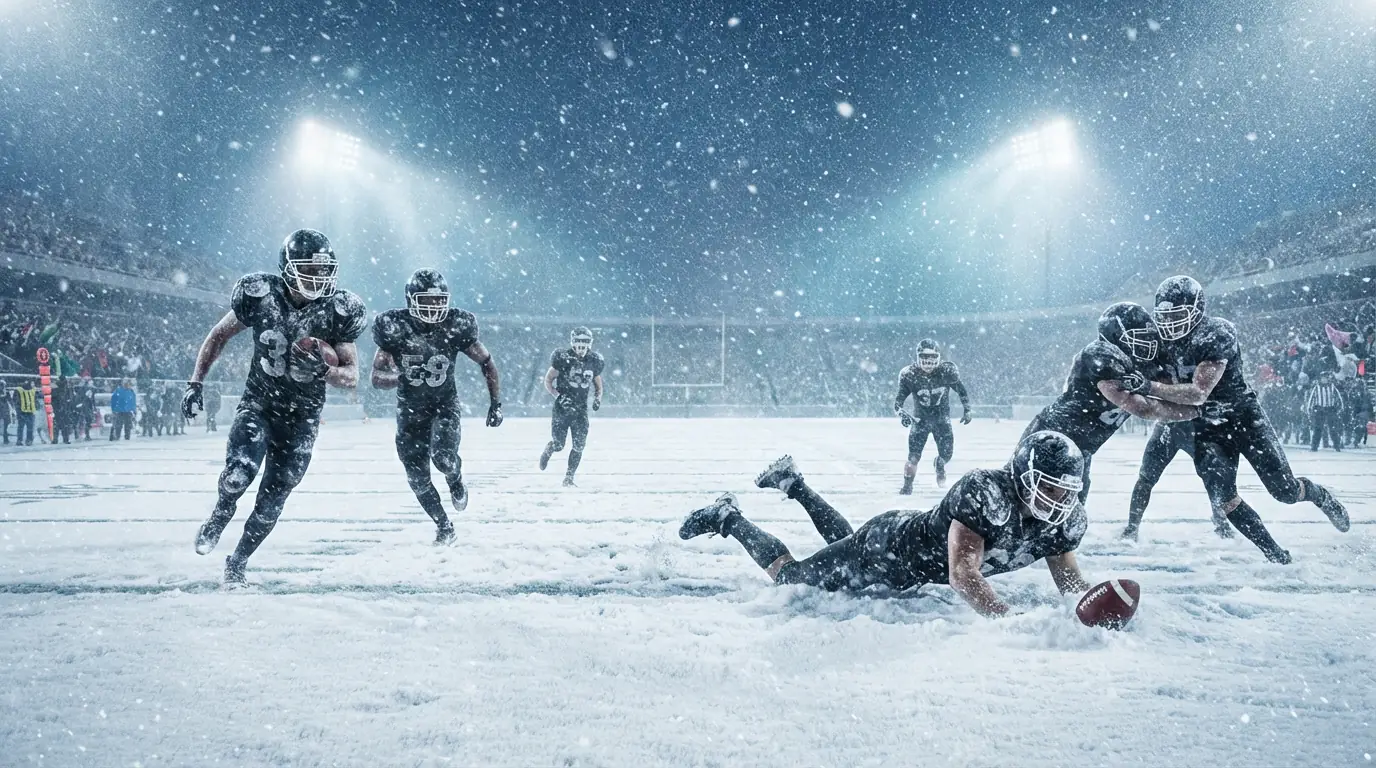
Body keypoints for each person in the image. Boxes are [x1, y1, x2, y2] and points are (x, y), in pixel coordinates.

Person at [679, 431, 1092, 618]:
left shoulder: (1061, 522)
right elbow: (962, 574)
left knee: (844, 543)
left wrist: (1094, 608)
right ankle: (727, 517)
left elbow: (1072, 585)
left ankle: (793, 483)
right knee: (791, 577)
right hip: (887, 549)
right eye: (1049, 488)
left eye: (1067, 492)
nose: (1059, 502)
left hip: (897, 552)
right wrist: (1006, 618)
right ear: (1022, 475)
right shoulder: (986, 493)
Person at [182, 228, 367, 587]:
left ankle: (238, 561)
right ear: (287, 267)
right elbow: (219, 334)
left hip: (303, 416)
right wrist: (195, 381)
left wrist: (325, 370)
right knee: (239, 474)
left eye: (323, 270)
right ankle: (222, 510)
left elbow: (352, 375)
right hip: (260, 404)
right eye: (309, 270)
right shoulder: (261, 295)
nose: (318, 277)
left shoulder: (338, 310)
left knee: (273, 499)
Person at [1120, 275, 1349, 563]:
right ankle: (1275, 554)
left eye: (1177, 316)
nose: (1170, 324)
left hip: (1242, 417)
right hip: (1205, 426)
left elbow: (1199, 392)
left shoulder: (1217, 332)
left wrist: (1147, 387)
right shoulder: (1159, 343)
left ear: (1197, 310)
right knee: (1224, 497)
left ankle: (1320, 496)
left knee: (1284, 491)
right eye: (1164, 317)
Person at [1020, 301, 1219, 506]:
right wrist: (1196, 410)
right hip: (1052, 436)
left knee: (1069, 510)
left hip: (1082, 448)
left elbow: (1172, 387)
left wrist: (1198, 394)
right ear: (1114, 337)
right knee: (1030, 500)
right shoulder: (1100, 355)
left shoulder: (1140, 362)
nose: (1146, 345)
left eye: (1148, 338)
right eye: (1137, 338)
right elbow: (1143, 407)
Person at [371, 268, 504, 544]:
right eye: (427, 300)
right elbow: (376, 377)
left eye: (438, 300)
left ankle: (455, 479)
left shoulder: (456, 325)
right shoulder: (394, 327)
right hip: (409, 412)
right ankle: (444, 526)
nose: (434, 307)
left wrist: (495, 402)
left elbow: (486, 362)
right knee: (417, 477)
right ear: (411, 300)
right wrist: (400, 377)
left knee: (443, 458)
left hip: (444, 405)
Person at [893, 338, 970, 493]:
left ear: (938, 357)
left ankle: (940, 464)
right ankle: (907, 485)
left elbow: (961, 390)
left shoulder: (946, 372)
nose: (928, 361)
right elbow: (898, 402)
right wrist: (903, 414)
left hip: (941, 420)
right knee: (913, 457)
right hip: (920, 420)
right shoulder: (910, 374)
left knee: (946, 454)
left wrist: (967, 409)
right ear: (917, 357)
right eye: (925, 357)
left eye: (932, 357)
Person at [538, 326, 604, 487]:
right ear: (572, 342)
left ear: (590, 343)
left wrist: (598, 399)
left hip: (580, 409)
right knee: (560, 444)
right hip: (563, 408)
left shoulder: (593, 361)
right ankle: (550, 448)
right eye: (579, 341)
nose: (582, 345)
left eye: (585, 341)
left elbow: (598, 384)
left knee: (579, 445)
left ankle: (569, 477)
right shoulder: (563, 357)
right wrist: (558, 396)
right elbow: (548, 380)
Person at [1304, 371, 1344, 452]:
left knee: (1333, 429)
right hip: (1319, 410)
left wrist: (1340, 407)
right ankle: (1314, 447)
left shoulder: (1332, 387)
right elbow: (1311, 399)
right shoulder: (1316, 388)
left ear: (1328, 379)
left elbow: (1339, 398)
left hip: (1330, 409)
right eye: (1323, 378)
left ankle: (1337, 446)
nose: (1324, 380)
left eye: (1325, 378)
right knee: (1318, 429)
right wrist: (1309, 409)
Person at [14, 379, 38, 446]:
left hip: (30, 412)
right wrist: (18, 411)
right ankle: (21, 440)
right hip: (23, 412)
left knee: (28, 427)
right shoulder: (19, 390)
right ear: (29, 384)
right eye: (32, 383)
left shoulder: (33, 390)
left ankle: (27, 440)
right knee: (22, 427)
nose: (33, 385)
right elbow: (16, 401)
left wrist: (36, 406)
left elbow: (35, 399)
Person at [0, 378, 11, 445]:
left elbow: (9, 400)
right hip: (4, 409)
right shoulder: (6, 392)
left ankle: (5, 438)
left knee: (6, 424)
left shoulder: (6, 392)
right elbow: (10, 400)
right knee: (6, 424)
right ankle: (5, 438)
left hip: (5, 409)